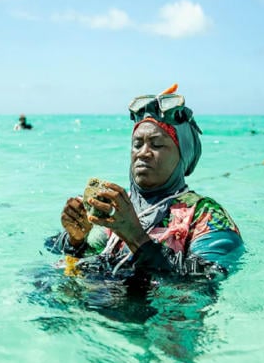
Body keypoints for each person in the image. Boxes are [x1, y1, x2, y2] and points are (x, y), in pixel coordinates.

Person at [46, 84, 243, 283]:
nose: (143, 153)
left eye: (156, 145)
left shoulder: (206, 215)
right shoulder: (114, 205)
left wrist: (136, 237)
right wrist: (75, 239)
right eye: (137, 144)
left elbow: (210, 275)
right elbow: (56, 249)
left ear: (182, 154)